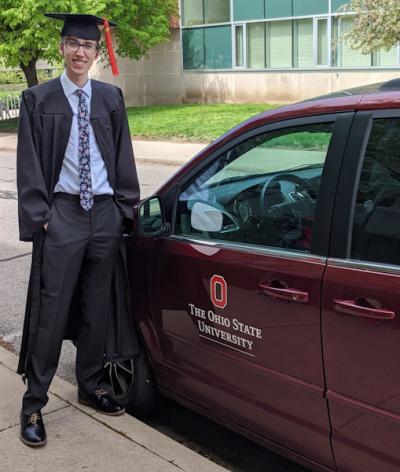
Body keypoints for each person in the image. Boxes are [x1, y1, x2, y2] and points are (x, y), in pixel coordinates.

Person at [16, 13, 140, 447]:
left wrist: (124, 208)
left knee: (96, 308)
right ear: (62, 48)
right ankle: (33, 402)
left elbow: (123, 155)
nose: (80, 52)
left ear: (97, 52)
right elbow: (29, 164)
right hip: (63, 215)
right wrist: (42, 215)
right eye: (72, 44)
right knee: (50, 313)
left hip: (104, 214)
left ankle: (91, 384)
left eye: (88, 46)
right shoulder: (39, 99)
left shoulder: (110, 98)